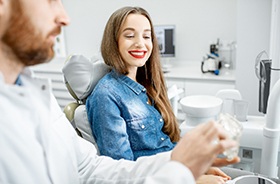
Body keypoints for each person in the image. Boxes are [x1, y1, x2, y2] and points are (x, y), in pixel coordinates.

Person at [0, 0, 239, 183]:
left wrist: (186, 161)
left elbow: (89, 168)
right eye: (49, 0)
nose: (65, 18)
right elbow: (118, 160)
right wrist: (184, 174)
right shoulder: (106, 94)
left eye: (147, 36)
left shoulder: (38, 95)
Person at [86, 6, 232, 183]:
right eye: (130, 35)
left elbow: (165, 148)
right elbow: (122, 172)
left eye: (146, 36)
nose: (140, 43)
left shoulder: (146, 82)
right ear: (113, 41)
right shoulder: (106, 95)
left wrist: (197, 167)